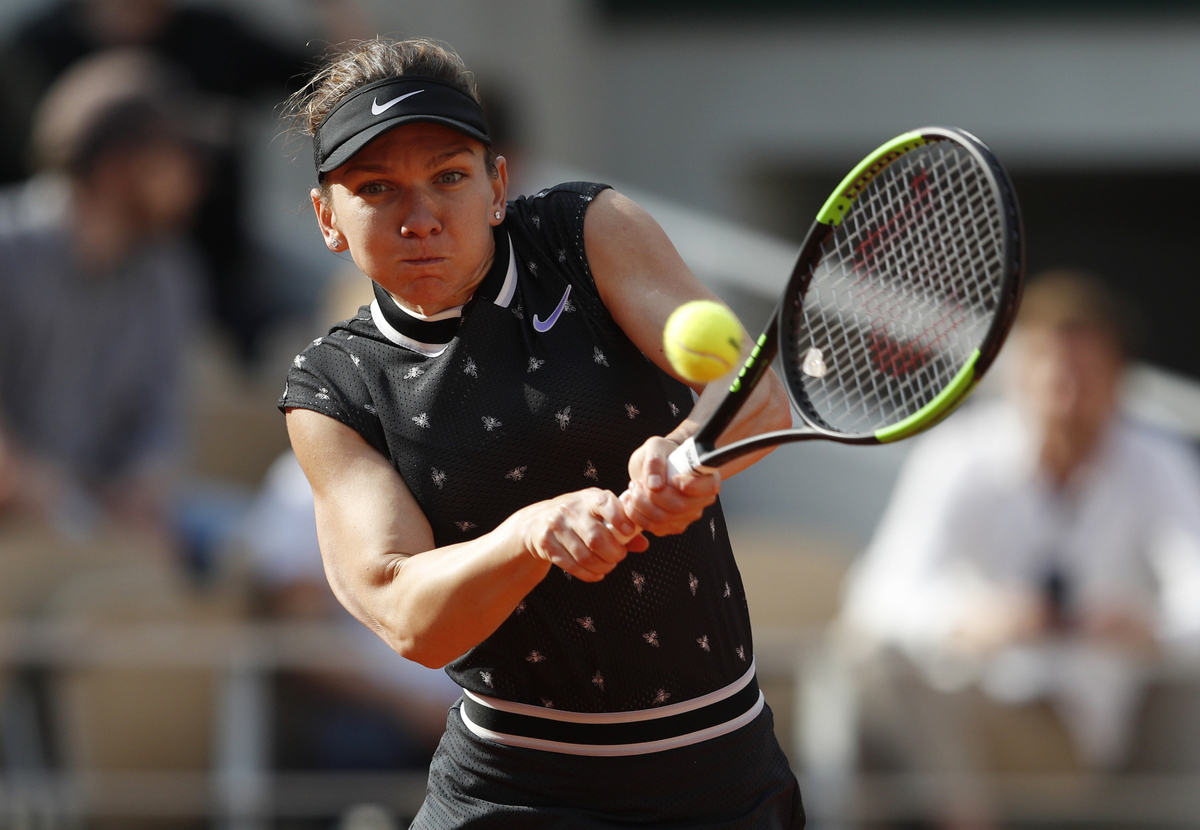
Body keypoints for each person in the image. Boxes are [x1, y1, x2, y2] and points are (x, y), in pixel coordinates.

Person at [280, 37, 802, 828]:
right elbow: (406, 612)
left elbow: (754, 396)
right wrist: (530, 536)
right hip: (507, 790)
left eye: (449, 178)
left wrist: (689, 452)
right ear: (328, 218)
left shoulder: (585, 231)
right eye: (378, 189)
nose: (421, 219)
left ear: (497, 185)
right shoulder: (332, 388)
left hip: (720, 778)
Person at [841, 271, 1200, 821]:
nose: (1064, 390)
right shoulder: (961, 453)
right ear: (1016, 374)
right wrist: (971, 619)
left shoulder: (1156, 460)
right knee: (869, 663)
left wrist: (1146, 628)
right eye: (1047, 367)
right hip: (970, 706)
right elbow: (876, 596)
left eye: (1083, 371)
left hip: (1083, 735)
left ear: (1117, 378)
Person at [0, 48, 204, 538]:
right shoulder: (8, 251)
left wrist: (142, 492)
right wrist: (60, 507)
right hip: (19, 522)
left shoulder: (168, 272)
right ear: (116, 168)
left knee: (254, 539)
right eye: (177, 158)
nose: (195, 178)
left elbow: (160, 422)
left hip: (104, 515)